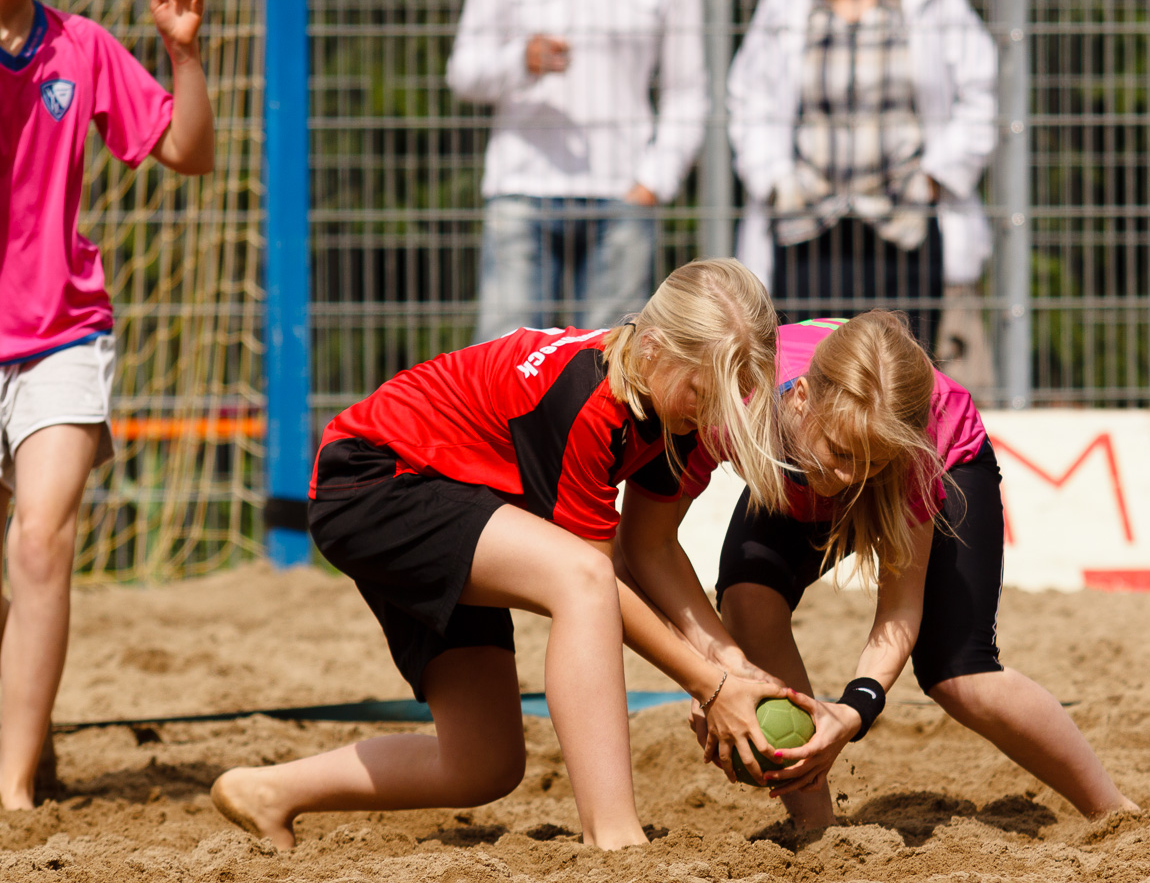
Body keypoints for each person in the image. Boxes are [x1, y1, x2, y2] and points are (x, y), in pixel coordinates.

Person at [209, 260, 790, 850]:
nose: (715, 412)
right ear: (653, 349)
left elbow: (652, 548)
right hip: (372, 480)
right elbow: (600, 583)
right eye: (703, 391)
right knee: (581, 577)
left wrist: (730, 661)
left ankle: (268, 792)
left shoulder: (670, 404)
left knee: (483, 764)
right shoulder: (586, 399)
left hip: (457, 496)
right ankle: (613, 836)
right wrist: (710, 686)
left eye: (730, 397)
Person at [633, 312, 1137, 828]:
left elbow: (899, 607)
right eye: (842, 453)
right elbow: (645, 547)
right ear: (801, 398)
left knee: (959, 674)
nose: (852, 478)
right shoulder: (732, 405)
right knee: (746, 601)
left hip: (942, 454)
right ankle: (816, 834)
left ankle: (1117, 815)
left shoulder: (904, 452)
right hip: (798, 456)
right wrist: (721, 678)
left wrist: (853, 711)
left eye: (869, 464)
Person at [0, 0, 214, 810]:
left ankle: (10, 791)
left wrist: (184, 54)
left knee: (43, 540)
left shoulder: (81, 45)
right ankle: (28, 740)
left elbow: (190, 153)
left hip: (60, 331)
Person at [727, 0, 996, 355]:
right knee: (807, 386)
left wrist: (933, 179)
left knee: (898, 388)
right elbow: (746, 97)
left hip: (904, 227)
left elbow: (980, 92)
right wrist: (775, 182)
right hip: (806, 228)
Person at [447, 0, 706, 338]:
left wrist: (654, 182)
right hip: (522, 190)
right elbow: (463, 72)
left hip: (624, 196)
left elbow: (688, 90)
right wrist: (520, 60)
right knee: (500, 373)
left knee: (612, 376)